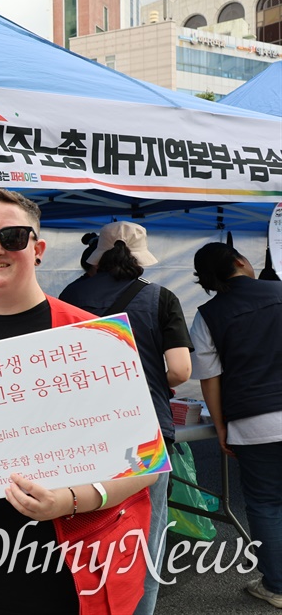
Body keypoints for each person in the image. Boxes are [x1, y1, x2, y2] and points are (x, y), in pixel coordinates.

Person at [0, 188, 156, 615]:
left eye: (11, 237)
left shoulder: (93, 337)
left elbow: (145, 464)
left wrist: (71, 500)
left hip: (61, 562)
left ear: (37, 248)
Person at [59, 220, 192, 615]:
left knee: (81, 534)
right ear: (141, 256)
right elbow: (181, 371)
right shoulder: (161, 298)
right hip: (145, 431)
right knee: (145, 539)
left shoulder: (69, 294)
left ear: (97, 254)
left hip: (79, 430)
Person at [189, 242, 282, 609]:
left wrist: (222, 426)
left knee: (266, 504)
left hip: (253, 421)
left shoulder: (207, 315)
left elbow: (209, 378)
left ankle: (276, 586)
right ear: (241, 262)